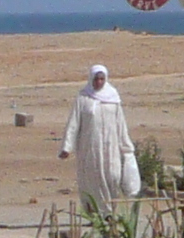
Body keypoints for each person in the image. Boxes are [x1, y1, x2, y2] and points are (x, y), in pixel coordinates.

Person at [60, 63, 142, 213]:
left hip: (112, 148)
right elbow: (74, 122)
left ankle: (110, 211)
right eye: (96, 79)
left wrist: (127, 148)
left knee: (113, 176)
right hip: (90, 148)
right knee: (93, 180)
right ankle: (96, 213)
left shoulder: (113, 98)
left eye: (101, 79)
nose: (98, 82)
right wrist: (67, 147)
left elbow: (121, 125)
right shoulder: (83, 98)